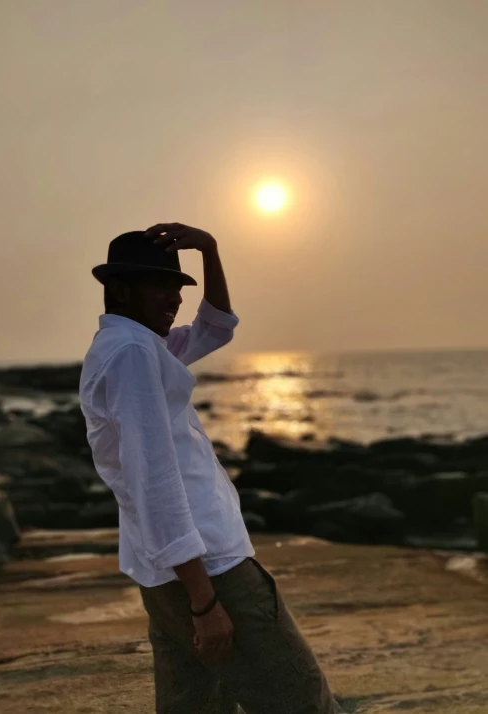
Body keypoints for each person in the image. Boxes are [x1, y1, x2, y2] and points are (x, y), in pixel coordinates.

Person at [79, 224, 344, 714]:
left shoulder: (140, 345)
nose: (174, 298)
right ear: (119, 289)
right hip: (210, 570)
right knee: (305, 702)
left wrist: (211, 251)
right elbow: (154, 479)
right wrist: (204, 602)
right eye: (161, 286)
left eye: (179, 287)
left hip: (166, 572)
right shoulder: (134, 354)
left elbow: (216, 326)